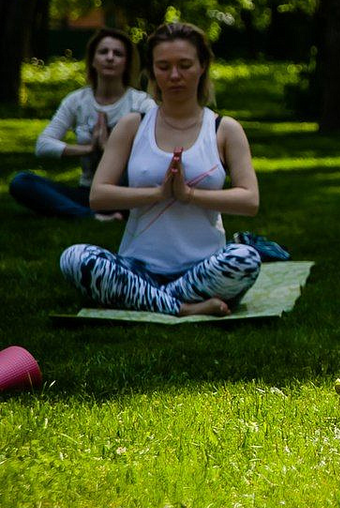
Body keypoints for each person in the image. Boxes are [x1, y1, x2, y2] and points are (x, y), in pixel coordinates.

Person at [59, 22, 261, 317]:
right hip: (138, 267)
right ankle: (181, 307)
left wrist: (188, 194)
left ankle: (143, 299)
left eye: (185, 65)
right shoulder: (133, 124)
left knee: (246, 258)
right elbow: (98, 196)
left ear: (202, 66)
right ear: (152, 71)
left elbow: (249, 201)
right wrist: (158, 192)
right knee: (74, 257)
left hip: (202, 271)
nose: (175, 76)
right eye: (164, 67)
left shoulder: (224, 129)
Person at [9, 28, 155, 220]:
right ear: (93, 60)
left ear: (127, 62)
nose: (110, 58)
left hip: (125, 191)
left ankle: (103, 213)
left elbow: (153, 154)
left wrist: (111, 149)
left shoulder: (141, 102)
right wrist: (87, 149)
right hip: (87, 191)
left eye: (118, 53)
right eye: (103, 52)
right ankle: (90, 215)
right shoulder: (77, 100)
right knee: (22, 182)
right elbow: (43, 145)